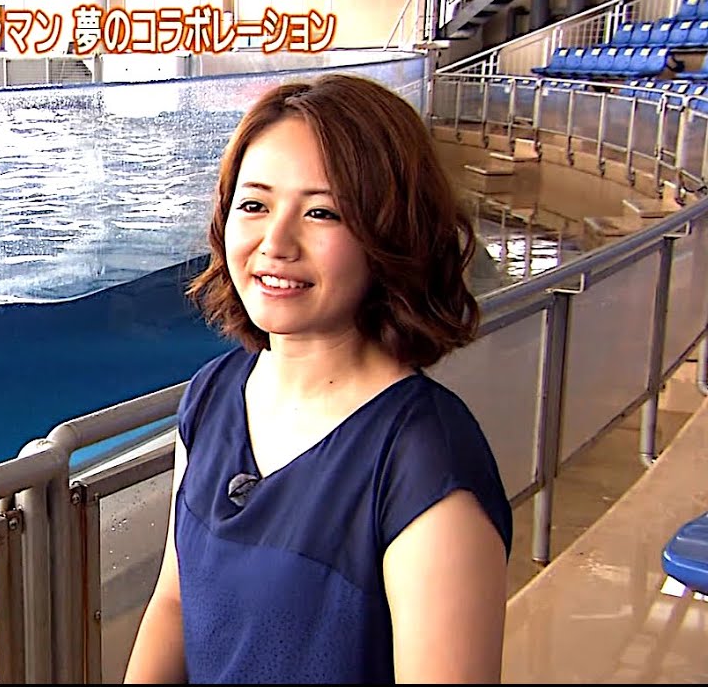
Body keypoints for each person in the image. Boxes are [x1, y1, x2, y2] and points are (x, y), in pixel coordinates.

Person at [123, 74, 514, 684]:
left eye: (322, 212)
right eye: (255, 205)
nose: (276, 243)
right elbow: (175, 601)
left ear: (390, 235)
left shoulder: (422, 461)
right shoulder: (212, 396)